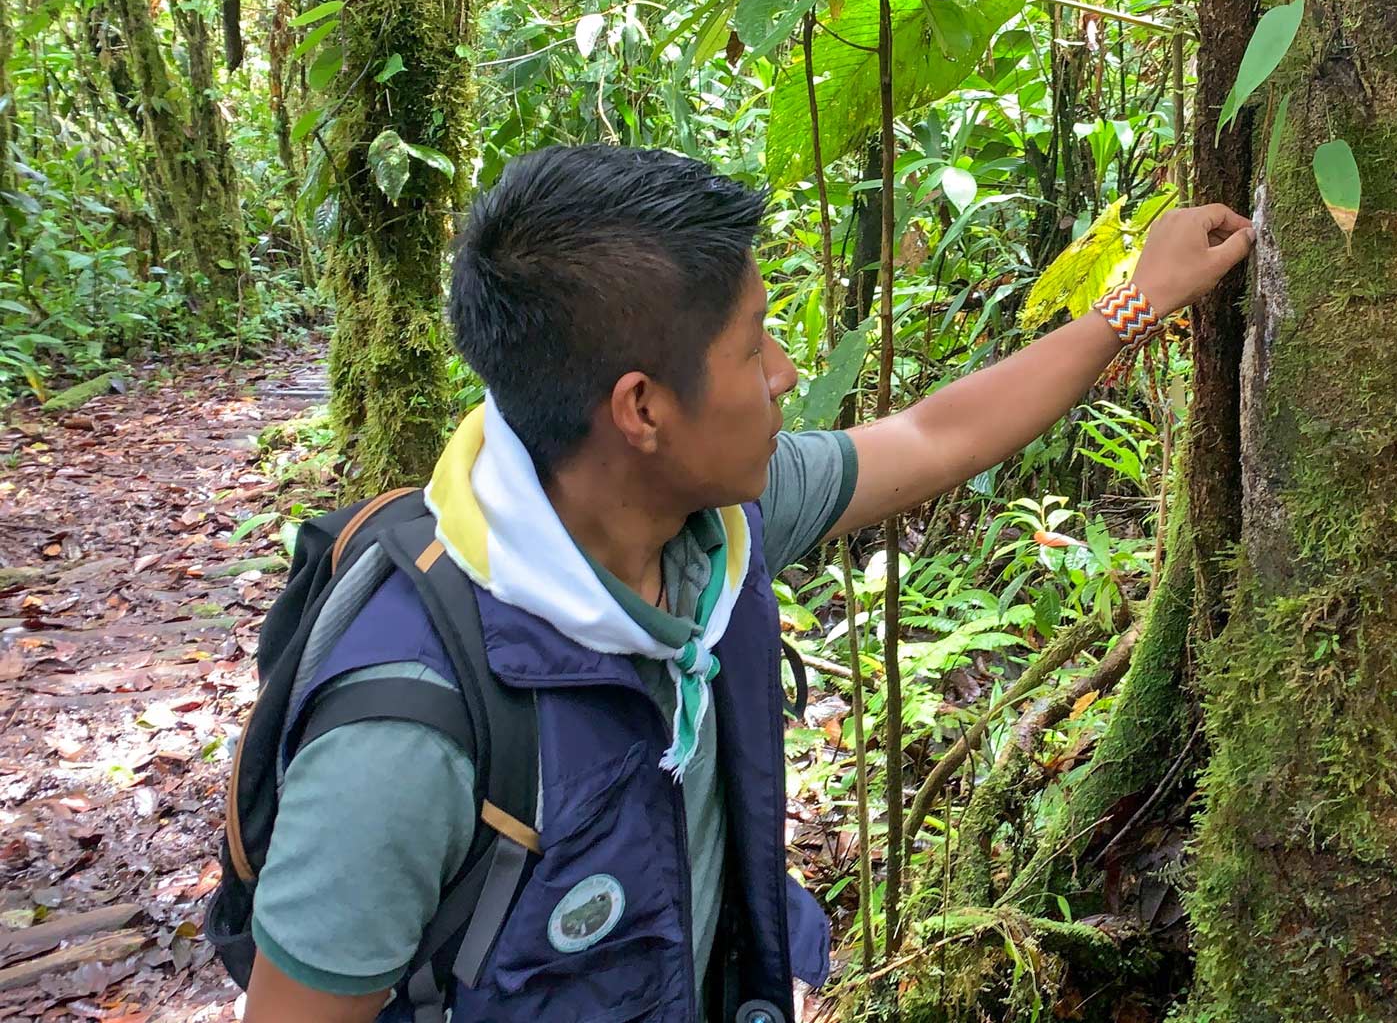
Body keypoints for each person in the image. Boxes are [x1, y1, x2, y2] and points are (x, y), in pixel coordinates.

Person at [239, 144, 1252, 1023]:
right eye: (750, 342)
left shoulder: (712, 522)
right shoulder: (407, 734)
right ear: (641, 408)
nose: (782, 370)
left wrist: (1138, 299)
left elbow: (931, 436)